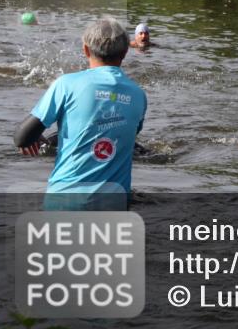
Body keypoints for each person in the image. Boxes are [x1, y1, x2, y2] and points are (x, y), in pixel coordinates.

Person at [14, 18, 148, 209]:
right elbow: (127, 137)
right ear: (126, 52)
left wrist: (32, 138)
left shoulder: (65, 84)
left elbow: (21, 138)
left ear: (85, 50)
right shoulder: (138, 95)